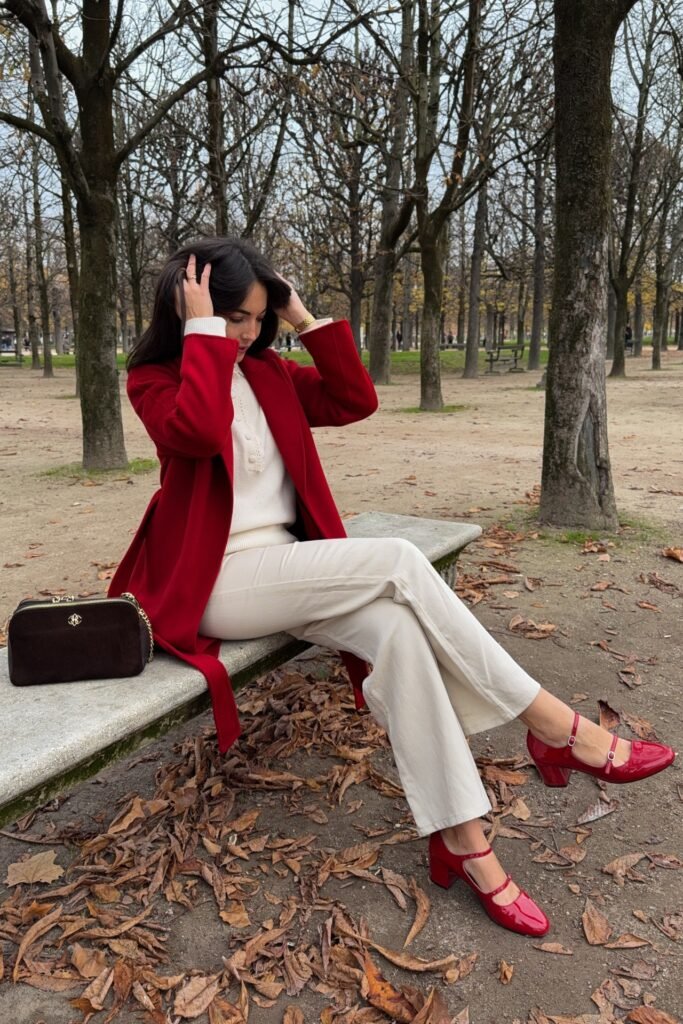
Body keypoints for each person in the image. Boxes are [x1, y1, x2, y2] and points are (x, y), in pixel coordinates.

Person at [110, 237, 675, 938]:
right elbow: (193, 434)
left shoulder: (267, 376)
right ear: (189, 308)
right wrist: (202, 332)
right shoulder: (157, 379)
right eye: (233, 317)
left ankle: (462, 841)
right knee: (402, 561)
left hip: (292, 569)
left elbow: (354, 400)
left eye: (258, 317)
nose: (248, 332)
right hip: (215, 582)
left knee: (400, 635)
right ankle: (555, 728)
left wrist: (300, 313)